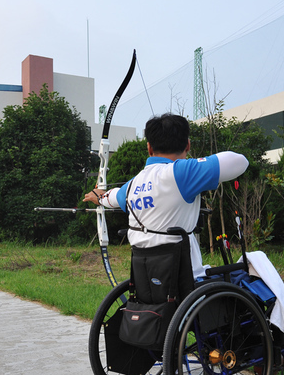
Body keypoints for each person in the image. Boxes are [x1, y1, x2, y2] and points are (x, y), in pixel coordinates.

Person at [83, 113, 249, 280]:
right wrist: (196, 166)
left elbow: (110, 197)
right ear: (188, 145)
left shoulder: (131, 186)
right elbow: (241, 161)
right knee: (255, 267)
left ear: (149, 148)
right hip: (189, 283)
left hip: (148, 283)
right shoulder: (183, 173)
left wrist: (98, 197)